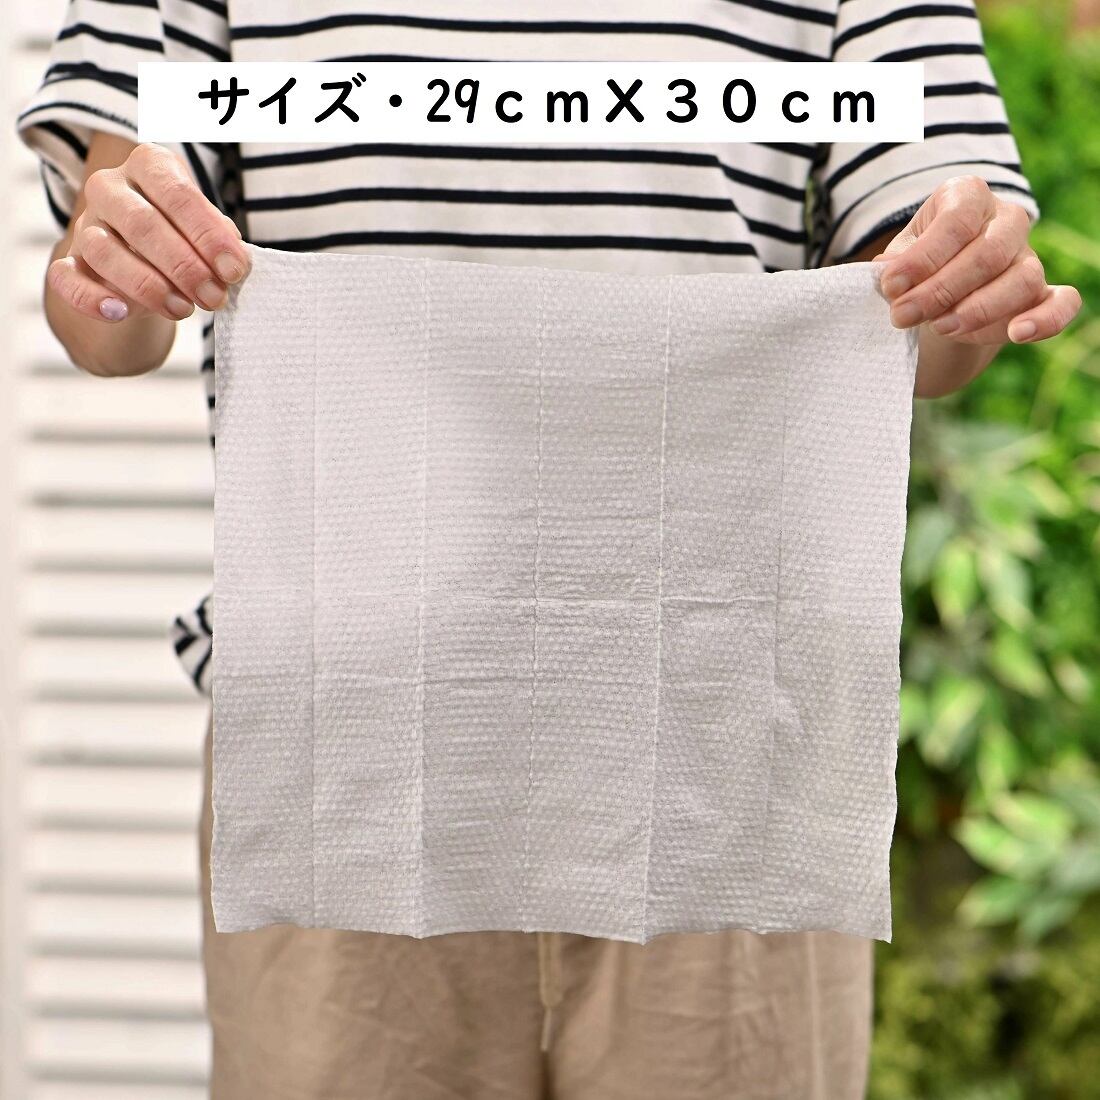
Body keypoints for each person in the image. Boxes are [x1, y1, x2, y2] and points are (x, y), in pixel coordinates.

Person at [18, 1, 1080, 1097]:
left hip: (722, 743)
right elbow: (110, 301)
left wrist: (959, 278)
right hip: (344, 747)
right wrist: (109, 261)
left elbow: (921, 321)